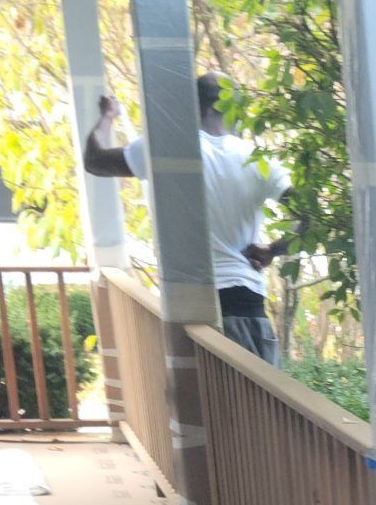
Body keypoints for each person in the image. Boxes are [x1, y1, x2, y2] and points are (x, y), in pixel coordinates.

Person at [84, 74, 289, 364]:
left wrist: (107, 116)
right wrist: (272, 251)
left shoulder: (167, 147)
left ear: (192, 105)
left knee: (199, 405)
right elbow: (311, 218)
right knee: (260, 405)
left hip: (186, 304)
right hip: (244, 302)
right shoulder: (257, 159)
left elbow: (95, 160)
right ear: (231, 109)